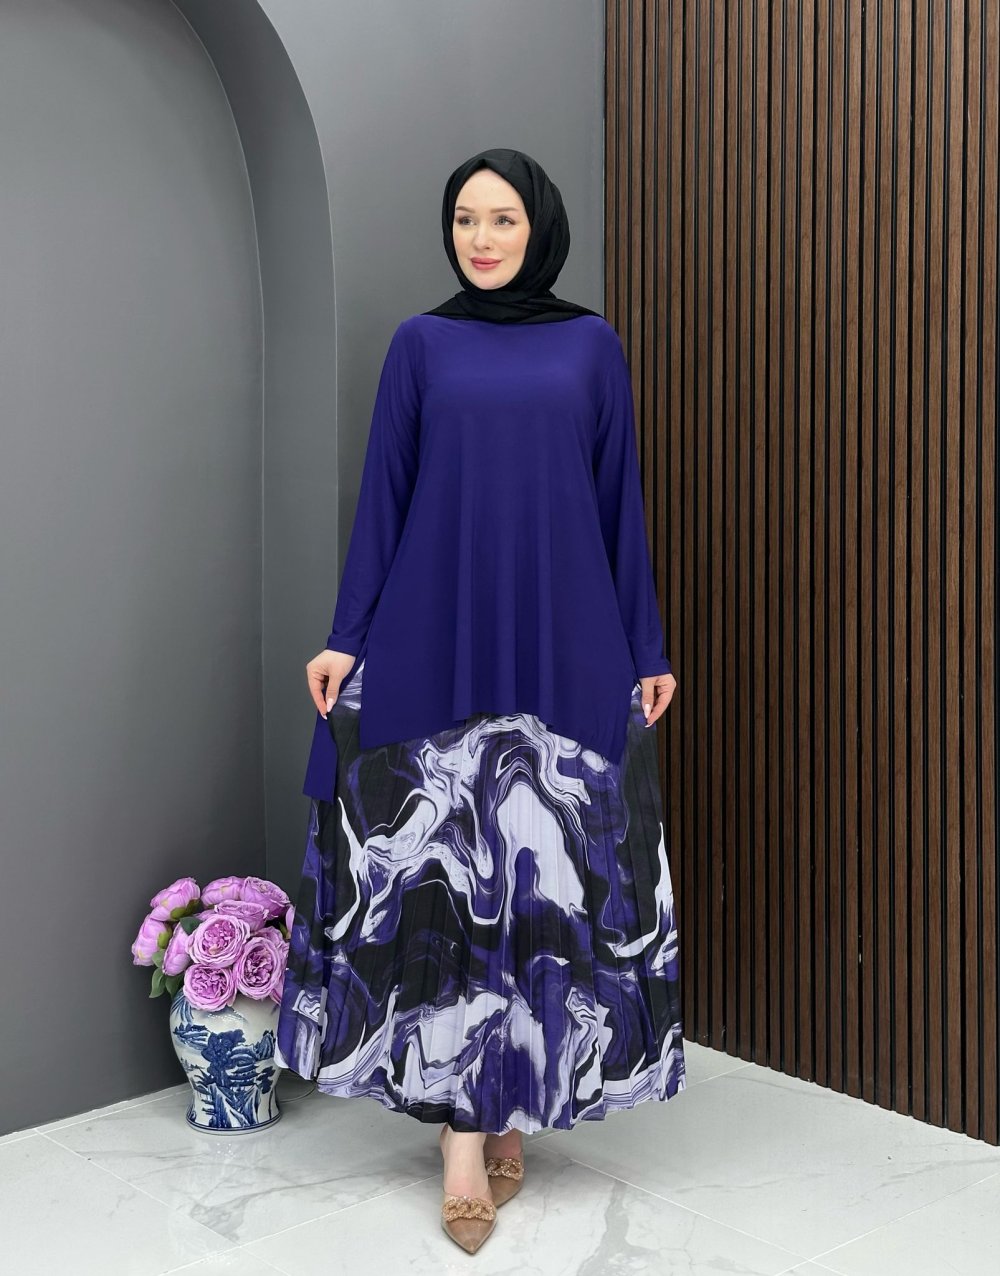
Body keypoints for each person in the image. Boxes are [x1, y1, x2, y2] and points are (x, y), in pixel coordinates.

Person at [275, 146, 686, 1255]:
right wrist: (346, 635)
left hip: (565, 635)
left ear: (538, 226)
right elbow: (384, 498)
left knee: (541, 884)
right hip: (434, 631)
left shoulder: (591, 345)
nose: (483, 238)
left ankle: (506, 1103)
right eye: (466, 218)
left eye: (503, 218)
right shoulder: (421, 344)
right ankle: (466, 1143)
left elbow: (619, 503)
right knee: (452, 885)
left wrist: (645, 645)